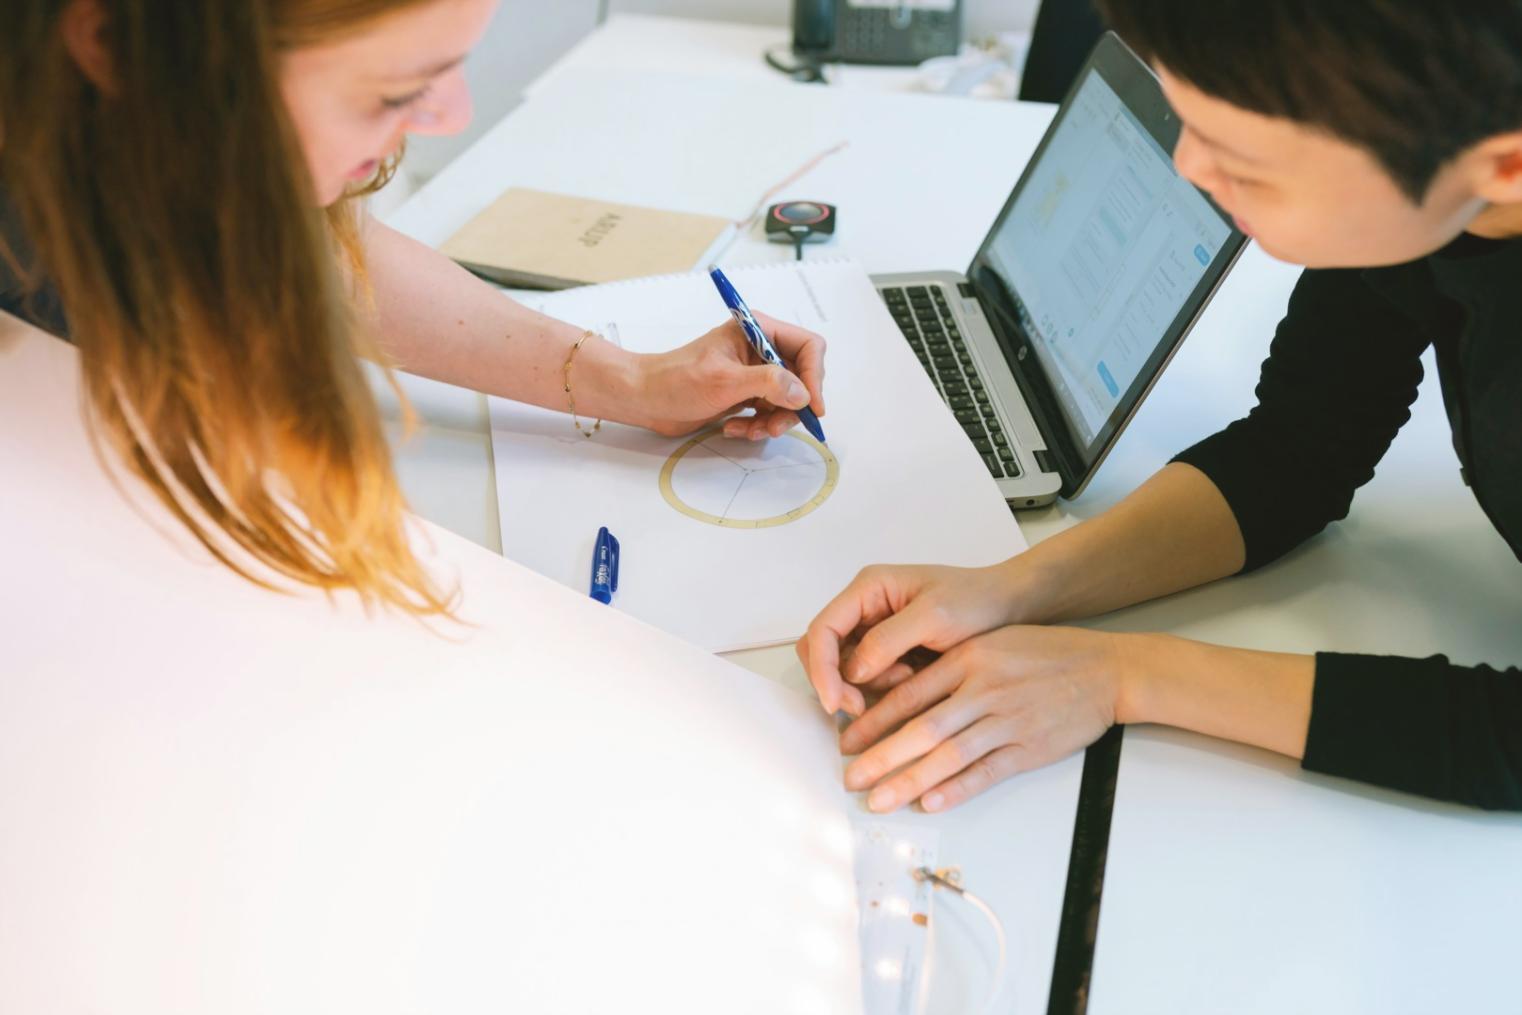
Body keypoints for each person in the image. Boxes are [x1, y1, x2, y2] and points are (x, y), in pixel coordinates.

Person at [798, 0, 1522, 812]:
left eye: (1245, 159)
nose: (1189, 169)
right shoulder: (1417, 189)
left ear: (1503, 165)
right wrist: (1007, 590)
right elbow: (1303, 448)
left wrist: (1122, 674)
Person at [0, 0, 826, 615]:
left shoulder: (157, 133)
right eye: (398, 88)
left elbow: (324, 250)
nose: (454, 115)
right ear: (118, 44)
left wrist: (632, 382)